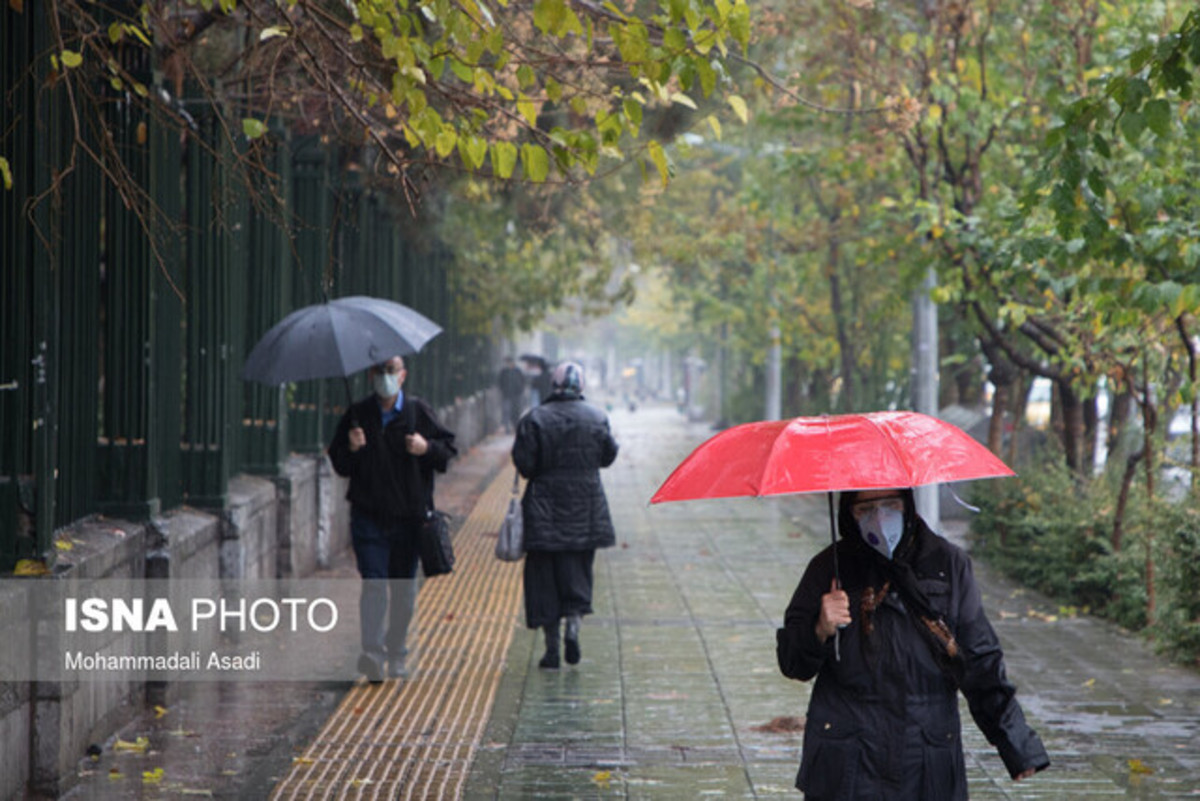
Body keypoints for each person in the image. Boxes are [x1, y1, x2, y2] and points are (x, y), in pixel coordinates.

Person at [776, 488, 1049, 799]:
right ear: (847, 511)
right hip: (848, 759)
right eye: (865, 508)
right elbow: (792, 663)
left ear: (907, 504)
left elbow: (980, 659)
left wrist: (1015, 743)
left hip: (925, 756)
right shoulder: (829, 569)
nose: (879, 518)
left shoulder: (947, 565)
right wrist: (820, 629)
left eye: (890, 504)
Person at [327, 355, 457, 683]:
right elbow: (339, 463)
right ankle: (372, 653)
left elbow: (447, 452)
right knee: (373, 584)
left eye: (391, 371)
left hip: (409, 521)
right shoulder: (358, 415)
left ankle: (396, 649)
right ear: (371, 374)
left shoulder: (417, 412)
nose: (385, 377)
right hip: (368, 517)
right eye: (380, 371)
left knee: (403, 592)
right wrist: (351, 448)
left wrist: (426, 448)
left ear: (402, 376)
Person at [511, 361, 618, 669]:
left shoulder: (535, 419)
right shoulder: (597, 418)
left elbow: (526, 465)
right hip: (586, 510)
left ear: (552, 385)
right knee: (577, 573)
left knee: (544, 578)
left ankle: (551, 649)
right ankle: (573, 625)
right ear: (581, 387)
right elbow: (608, 457)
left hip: (543, 511)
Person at [497, 356, 527, 434]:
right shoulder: (504, 372)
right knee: (506, 411)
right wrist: (503, 390)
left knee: (516, 411)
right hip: (507, 395)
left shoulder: (518, 371)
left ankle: (515, 427)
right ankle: (507, 428)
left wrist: (520, 390)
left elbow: (522, 381)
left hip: (516, 395)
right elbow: (500, 382)